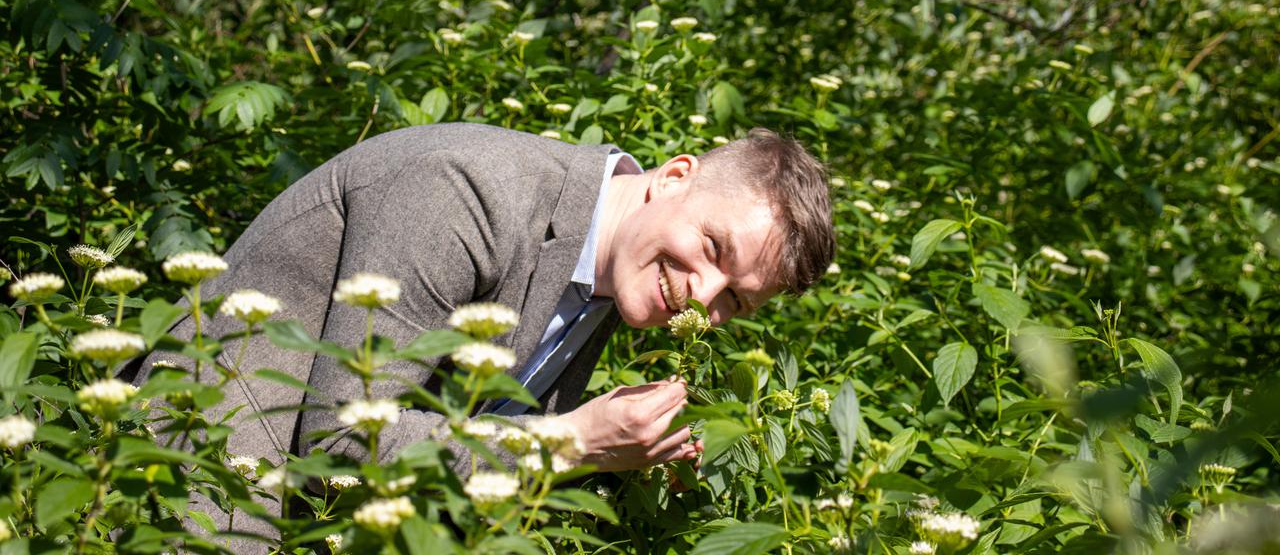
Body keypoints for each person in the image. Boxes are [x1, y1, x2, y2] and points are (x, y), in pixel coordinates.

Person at [132, 122, 834, 475]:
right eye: (714, 249)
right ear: (674, 176)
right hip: (207, 481)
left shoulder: (611, 275)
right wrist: (573, 443)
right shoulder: (468, 191)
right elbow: (342, 440)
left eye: (735, 302)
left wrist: (634, 466)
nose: (701, 297)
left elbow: (471, 441)